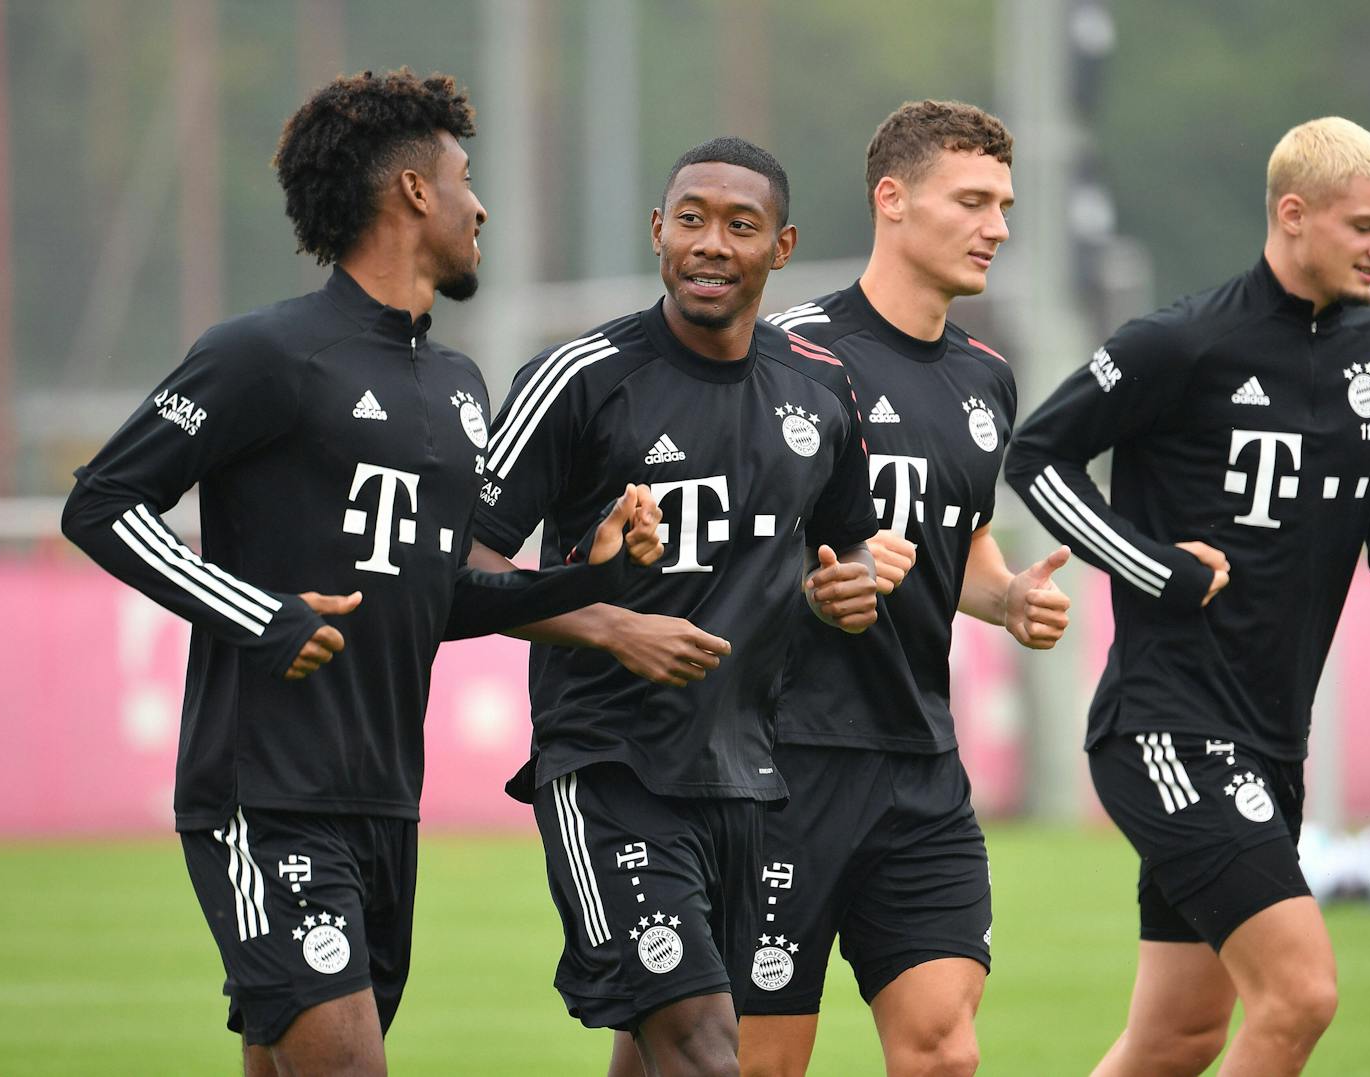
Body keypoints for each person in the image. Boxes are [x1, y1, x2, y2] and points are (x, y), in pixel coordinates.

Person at [61, 68, 662, 1077]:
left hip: (384, 802)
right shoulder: (265, 353)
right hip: (265, 791)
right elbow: (102, 502)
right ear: (416, 194)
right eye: (465, 178)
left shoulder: (459, 386)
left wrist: (583, 577)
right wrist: (259, 613)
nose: (482, 206)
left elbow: (437, 599)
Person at [1004, 116, 1370, 1076]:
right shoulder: (1183, 342)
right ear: (1293, 215)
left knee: (1177, 1037)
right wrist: (1152, 565)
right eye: (1365, 227)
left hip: (1270, 740)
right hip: (1167, 726)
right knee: (1301, 994)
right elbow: (1036, 456)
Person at [465, 137, 880, 1077]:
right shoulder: (578, 377)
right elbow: (464, 563)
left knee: (655, 1050)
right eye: (691, 219)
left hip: (744, 776)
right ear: (658, 232)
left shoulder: (818, 388)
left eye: (742, 226)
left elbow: (846, 545)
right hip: (609, 765)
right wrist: (609, 623)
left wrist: (849, 586)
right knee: (701, 1043)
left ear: (782, 247)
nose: (711, 243)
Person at [734, 101, 1072, 1077]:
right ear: (891, 199)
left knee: (942, 1052)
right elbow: (720, 549)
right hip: (776, 766)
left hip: (918, 769)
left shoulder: (984, 380)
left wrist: (1005, 598)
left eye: (1003, 205)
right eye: (971, 201)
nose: (996, 227)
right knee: (755, 1063)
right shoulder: (782, 355)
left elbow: (954, 541)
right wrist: (814, 579)